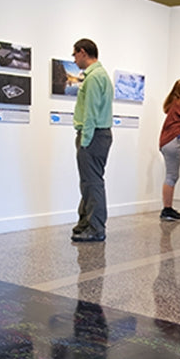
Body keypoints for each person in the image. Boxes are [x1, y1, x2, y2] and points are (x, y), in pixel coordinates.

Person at [71, 38, 113, 242]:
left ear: (82, 52)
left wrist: (85, 141)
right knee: (88, 182)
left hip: (93, 135)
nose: (74, 59)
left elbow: (91, 112)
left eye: (75, 54)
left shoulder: (94, 77)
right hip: (96, 135)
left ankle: (96, 228)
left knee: (93, 182)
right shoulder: (97, 75)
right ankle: (86, 222)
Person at [159, 79, 180, 220]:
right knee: (172, 176)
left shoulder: (175, 103)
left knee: (171, 175)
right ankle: (167, 209)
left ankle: (167, 208)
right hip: (174, 141)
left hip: (166, 142)